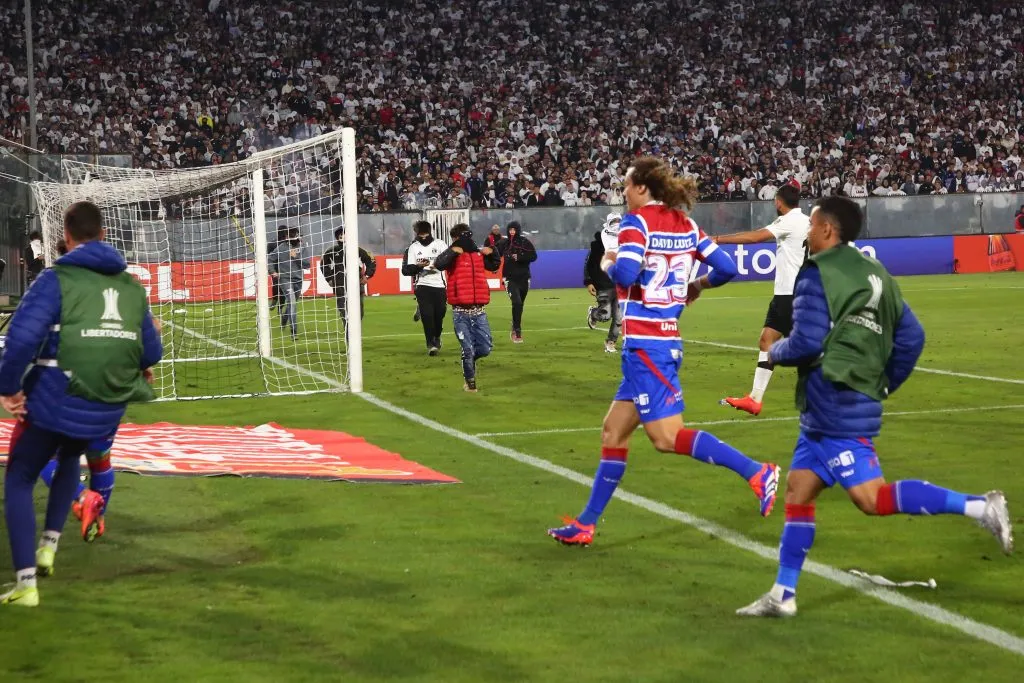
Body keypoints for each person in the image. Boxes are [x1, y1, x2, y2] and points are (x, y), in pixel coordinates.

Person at [736, 197, 1012, 618]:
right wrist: (882, 384)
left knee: (871, 498)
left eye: (811, 226)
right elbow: (912, 337)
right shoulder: (876, 271)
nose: (807, 233)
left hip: (834, 401)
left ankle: (980, 506)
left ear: (828, 229)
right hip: (839, 400)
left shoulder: (817, 273)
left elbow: (807, 341)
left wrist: (773, 353)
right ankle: (783, 594)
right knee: (798, 490)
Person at [548, 158, 781, 547]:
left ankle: (758, 472)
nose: (623, 193)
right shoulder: (687, 226)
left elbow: (624, 274)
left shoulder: (636, 224)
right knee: (613, 431)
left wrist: (607, 259)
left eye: (625, 186)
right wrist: (698, 285)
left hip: (649, 347)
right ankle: (586, 523)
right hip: (658, 342)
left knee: (666, 437)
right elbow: (725, 268)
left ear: (641, 187)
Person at [0, 201, 163, 607]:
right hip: (106, 406)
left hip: (58, 396)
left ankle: (25, 585)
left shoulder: (56, 279)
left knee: (20, 477)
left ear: (67, 236)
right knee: (73, 454)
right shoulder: (130, 285)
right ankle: (49, 547)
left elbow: (21, 340)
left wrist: (8, 387)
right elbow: (152, 349)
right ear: (104, 235)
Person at [716, 184, 810, 415]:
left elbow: (756, 237)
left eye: (775, 201)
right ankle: (754, 398)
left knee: (808, 353)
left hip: (790, 294)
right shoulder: (809, 221)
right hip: (797, 293)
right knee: (767, 340)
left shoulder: (788, 221)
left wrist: (717, 238)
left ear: (779, 201)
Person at [433, 224, 501, 392]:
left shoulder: (477, 255)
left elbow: (494, 266)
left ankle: (469, 361)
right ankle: (470, 382)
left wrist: (493, 251)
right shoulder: (453, 255)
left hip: (479, 311)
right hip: (460, 312)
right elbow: (439, 264)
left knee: (485, 348)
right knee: (468, 349)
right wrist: (452, 251)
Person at [402, 221, 449, 355]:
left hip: (440, 285)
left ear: (430, 232)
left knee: (439, 314)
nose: (423, 237)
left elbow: (448, 261)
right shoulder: (413, 248)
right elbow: (406, 270)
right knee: (428, 315)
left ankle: (437, 336)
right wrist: (418, 267)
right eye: (420, 235)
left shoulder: (440, 244)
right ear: (417, 234)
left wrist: (437, 264)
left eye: (425, 234)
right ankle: (431, 343)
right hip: (422, 285)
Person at [320, 225, 377, 327]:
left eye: (345, 233)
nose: (344, 236)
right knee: (343, 310)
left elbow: (371, 261)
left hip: (357, 284)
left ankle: (353, 330)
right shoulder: (331, 251)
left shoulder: (358, 250)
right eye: (341, 234)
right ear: (337, 237)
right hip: (340, 285)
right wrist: (329, 279)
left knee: (359, 310)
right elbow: (323, 265)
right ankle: (348, 333)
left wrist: (367, 276)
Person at [584, 213, 623, 353]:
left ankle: (610, 342)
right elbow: (589, 263)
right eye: (614, 221)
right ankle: (594, 313)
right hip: (603, 283)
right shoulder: (599, 243)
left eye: (619, 220)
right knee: (605, 315)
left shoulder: (627, 240)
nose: (617, 223)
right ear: (608, 223)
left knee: (619, 316)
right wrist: (589, 281)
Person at [499, 221, 537, 343]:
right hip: (509, 278)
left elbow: (534, 256)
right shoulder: (504, 243)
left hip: (524, 278)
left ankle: (515, 323)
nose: (511, 232)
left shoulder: (524, 242)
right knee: (517, 302)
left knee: (520, 305)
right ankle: (517, 330)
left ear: (518, 230)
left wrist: (520, 257)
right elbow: (495, 254)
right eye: (510, 229)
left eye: (514, 230)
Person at [270, 226, 309, 339]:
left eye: (292, 234)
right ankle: (294, 332)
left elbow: (307, 265)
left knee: (292, 303)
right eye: (288, 234)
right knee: (291, 302)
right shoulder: (281, 247)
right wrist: (273, 271)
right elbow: (270, 259)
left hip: (298, 279)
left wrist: (295, 257)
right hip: (285, 279)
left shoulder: (302, 247)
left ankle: (284, 320)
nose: (290, 236)